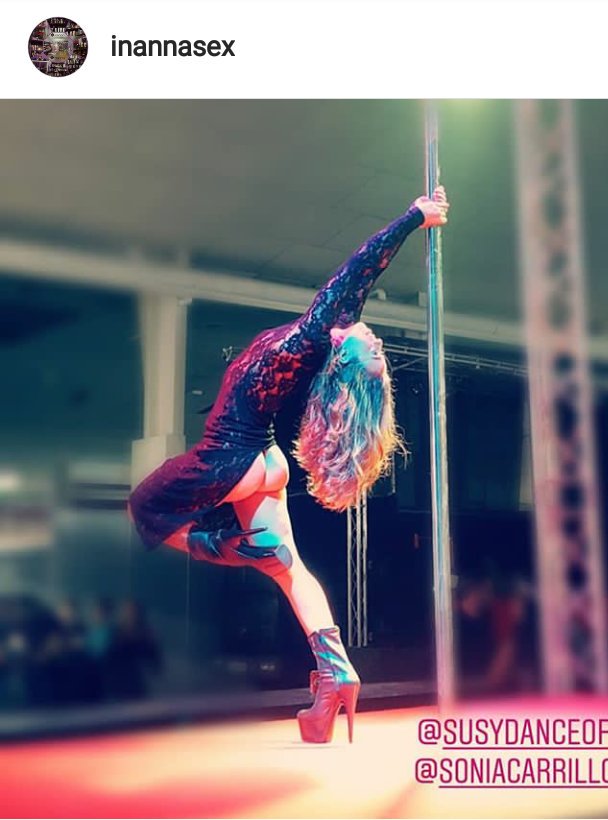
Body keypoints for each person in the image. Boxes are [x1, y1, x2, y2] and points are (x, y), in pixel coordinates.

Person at [129, 187, 450, 743]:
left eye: (372, 351)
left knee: (143, 506)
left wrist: (413, 218)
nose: (375, 340)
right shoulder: (332, 340)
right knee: (291, 570)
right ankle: (336, 672)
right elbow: (358, 286)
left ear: (344, 358)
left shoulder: (313, 337)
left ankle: (233, 549)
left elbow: (358, 269)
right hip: (265, 459)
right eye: (377, 348)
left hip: (229, 458)